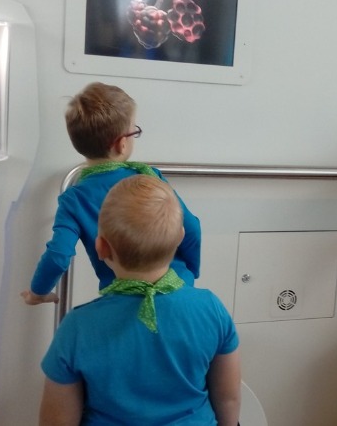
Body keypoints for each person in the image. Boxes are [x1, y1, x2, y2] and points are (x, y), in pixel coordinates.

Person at [38, 175, 240, 425]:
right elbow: (229, 399)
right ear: (180, 237)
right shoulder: (210, 308)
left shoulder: (77, 327)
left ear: (101, 247)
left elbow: (56, 420)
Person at [21, 82, 201, 305]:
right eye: (135, 131)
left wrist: (37, 293)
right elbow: (191, 228)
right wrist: (190, 272)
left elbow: (58, 256)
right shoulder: (149, 177)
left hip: (122, 302)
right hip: (178, 288)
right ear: (122, 144)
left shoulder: (74, 199)